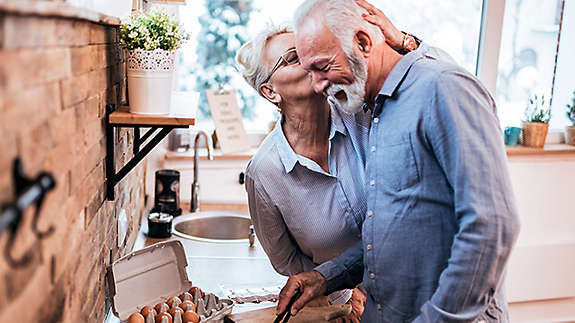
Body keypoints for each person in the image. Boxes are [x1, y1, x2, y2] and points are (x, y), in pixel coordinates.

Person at [276, 0, 521, 322]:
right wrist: (326, 277)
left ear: (363, 42)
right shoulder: (375, 111)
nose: (319, 85)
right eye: (310, 72)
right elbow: (392, 234)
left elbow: (492, 226)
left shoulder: (443, 87)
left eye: (322, 67)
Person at [236, 9, 423, 323]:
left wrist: (404, 42)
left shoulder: (363, 113)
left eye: (310, 52)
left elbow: (408, 209)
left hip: (412, 293)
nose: (309, 61)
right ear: (270, 92)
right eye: (294, 57)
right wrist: (340, 295)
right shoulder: (264, 173)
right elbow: (288, 262)